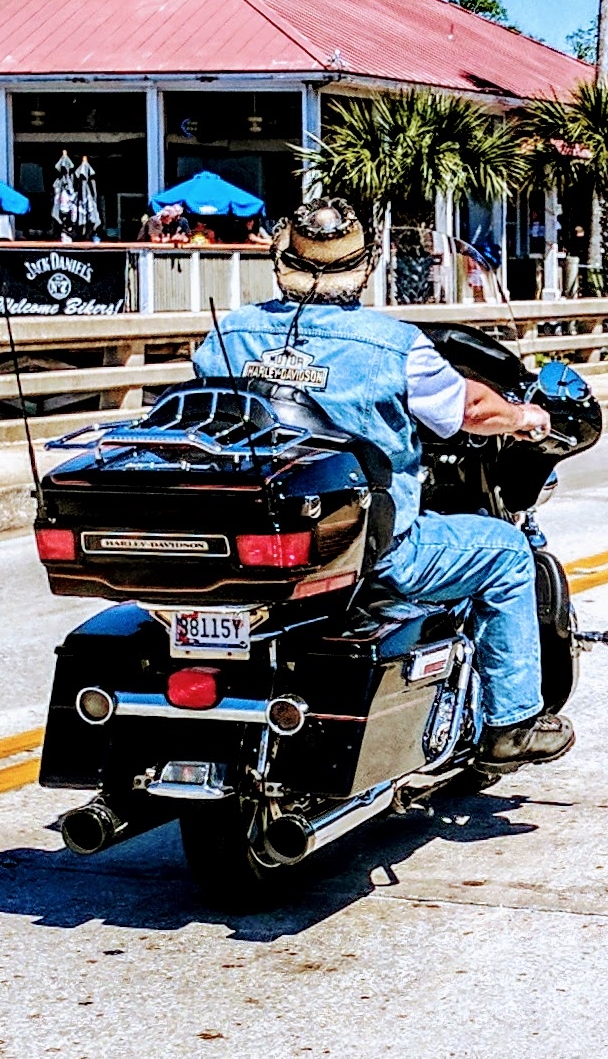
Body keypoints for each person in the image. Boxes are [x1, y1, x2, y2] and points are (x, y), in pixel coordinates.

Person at [191, 198, 571, 772]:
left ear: (280, 262)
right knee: (508, 554)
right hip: (367, 546)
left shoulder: (228, 334)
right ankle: (511, 723)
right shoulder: (392, 344)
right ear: (364, 267)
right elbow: (468, 409)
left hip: (250, 543)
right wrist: (525, 419)